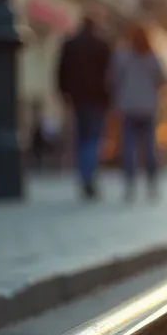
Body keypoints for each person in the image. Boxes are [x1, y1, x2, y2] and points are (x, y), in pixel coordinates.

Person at [56, 14, 112, 200]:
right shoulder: (102, 45)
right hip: (97, 99)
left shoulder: (71, 44)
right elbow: (110, 75)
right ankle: (89, 176)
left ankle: (84, 175)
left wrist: (63, 92)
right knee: (93, 139)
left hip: (77, 97)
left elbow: (61, 70)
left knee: (82, 138)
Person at [109, 24, 165, 201]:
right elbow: (163, 79)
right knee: (149, 148)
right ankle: (152, 185)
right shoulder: (152, 57)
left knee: (129, 147)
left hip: (129, 107)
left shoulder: (123, 56)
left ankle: (130, 185)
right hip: (148, 107)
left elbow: (113, 78)